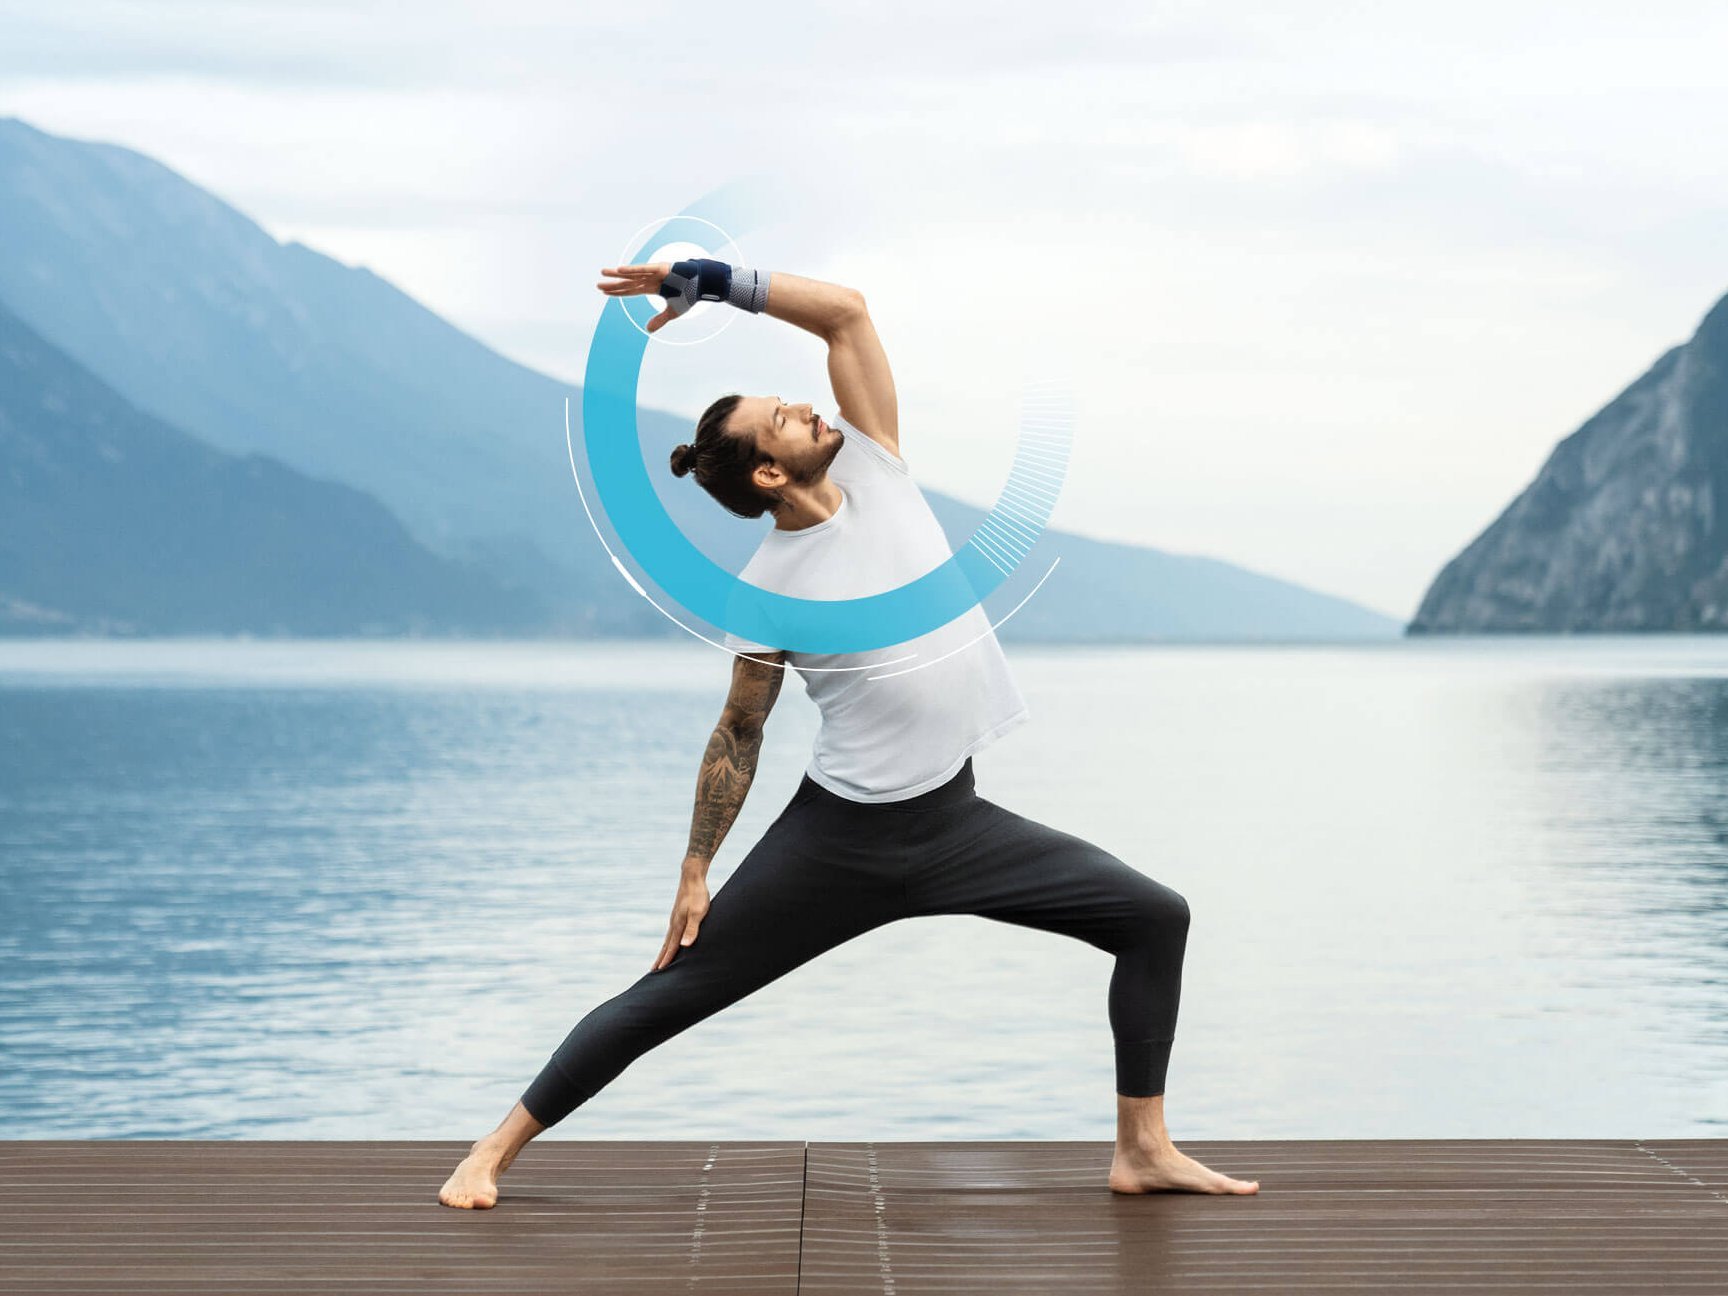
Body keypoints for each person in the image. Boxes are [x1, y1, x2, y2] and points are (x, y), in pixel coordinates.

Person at [438, 258, 1259, 1208]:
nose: (807, 408)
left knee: (1153, 917)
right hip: (841, 842)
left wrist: (711, 280)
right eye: (785, 418)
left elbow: (846, 315)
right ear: (771, 472)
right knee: (674, 990)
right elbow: (739, 734)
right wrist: (698, 868)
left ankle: (1142, 1150)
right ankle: (489, 1154)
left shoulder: (877, 465)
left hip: (957, 826)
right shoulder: (769, 589)